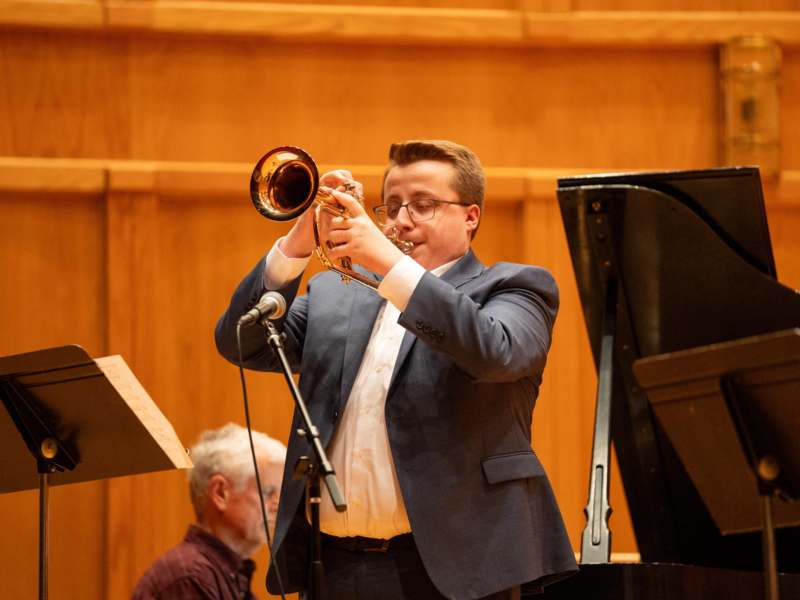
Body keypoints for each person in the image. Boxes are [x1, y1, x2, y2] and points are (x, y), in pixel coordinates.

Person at [215, 140, 577, 600]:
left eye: (423, 205)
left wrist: (389, 263)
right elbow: (241, 342)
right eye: (392, 205)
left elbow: (496, 351)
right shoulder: (335, 293)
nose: (400, 221)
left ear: (471, 216)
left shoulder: (514, 288)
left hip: (456, 573)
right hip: (333, 567)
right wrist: (297, 244)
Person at [132, 423, 287, 600]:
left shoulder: (222, 575)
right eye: (267, 492)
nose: (278, 505)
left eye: (280, 494)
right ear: (220, 493)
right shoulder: (190, 577)